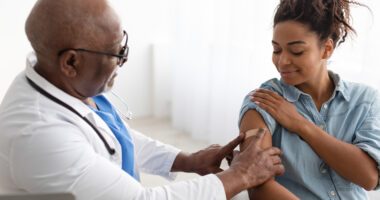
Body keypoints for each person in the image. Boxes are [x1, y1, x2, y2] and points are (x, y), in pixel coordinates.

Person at [0, 0, 285, 199]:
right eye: (117, 53)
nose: (124, 59)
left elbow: (113, 136)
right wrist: (240, 176)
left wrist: (187, 160)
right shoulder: (38, 134)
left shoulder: (55, 81)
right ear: (71, 62)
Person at [239, 0, 380, 199]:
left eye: (297, 51)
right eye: (276, 50)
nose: (282, 61)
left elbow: (369, 177)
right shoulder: (263, 101)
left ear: (327, 49)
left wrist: (301, 125)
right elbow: (256, 185)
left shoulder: (365, 101)